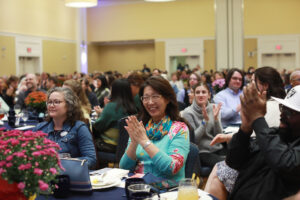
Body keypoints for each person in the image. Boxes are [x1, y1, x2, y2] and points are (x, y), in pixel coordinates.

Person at [206, 66, 286, 200]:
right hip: (274, 162)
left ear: (264, 86)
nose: (248, 85)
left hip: (264, 167)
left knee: (220, 169)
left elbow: (260, 137)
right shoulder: (284, 105)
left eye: (253, 81)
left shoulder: (265, 107)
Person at [224, 84, 300, 199]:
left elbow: (285, 163)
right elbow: (233, 161)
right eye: (282, 108)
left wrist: (258, 119)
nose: (282, 114)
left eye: (290, 112)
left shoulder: (268, 136)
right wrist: (245, 129)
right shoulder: (274, 134)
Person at [119, 76, 190, 181]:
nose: (150, 102)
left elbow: (172, 168)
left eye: (155, 96)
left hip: (168, 191)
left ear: (167, 99)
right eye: (146, 98)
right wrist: (134, 142)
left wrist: (144, 141)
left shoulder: (179, 129)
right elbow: (124, 168)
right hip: (140, 187)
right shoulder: (141, 128)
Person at [33, 87, 97, 168]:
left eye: (56, 102)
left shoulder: (79, 128)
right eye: (49, 102)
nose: (51, 105)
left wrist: (66, 163)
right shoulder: (39, 128)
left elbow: (91, 159)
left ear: (69, 105)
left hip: (70, 177)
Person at [181, 83, 223, 168]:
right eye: (197, 92)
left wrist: (216, 120)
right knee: (227, 165)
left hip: (217, 148)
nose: (200, 95)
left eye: (204, 92)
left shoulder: (214, 108)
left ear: (209, 95)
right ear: (194, 95)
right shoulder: (187, 113)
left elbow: (219, 136)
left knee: (238, 160)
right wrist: (204, 122)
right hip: (202, 152)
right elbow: (193, 140)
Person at [93, 78, 137, 153]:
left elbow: (98, 126)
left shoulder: (112, 107)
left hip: (109, 146)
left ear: (114, 90)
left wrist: (101, 114)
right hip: (128, 147)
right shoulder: (134, 107)